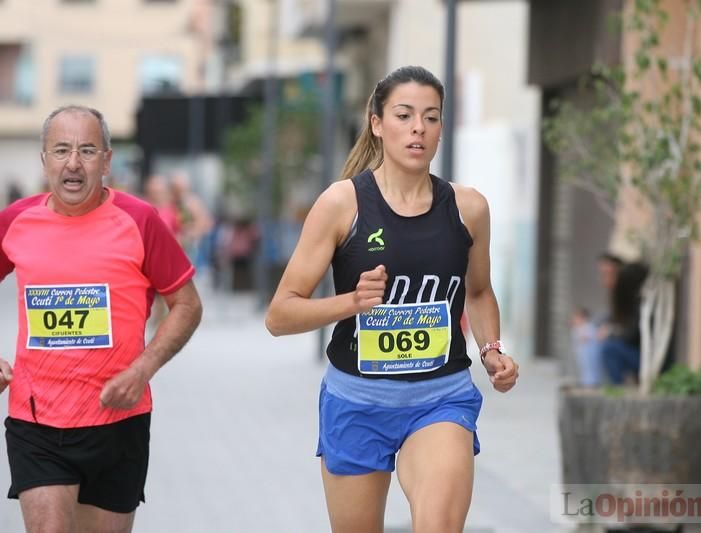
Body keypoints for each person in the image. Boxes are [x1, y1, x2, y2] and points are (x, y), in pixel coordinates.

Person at [265, 66, 519, 533]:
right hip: (356, 400)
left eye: (431, 117)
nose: (418, 127)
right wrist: (350, 303)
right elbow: (280, 315)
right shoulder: (342, 204)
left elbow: (478, 292)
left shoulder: (469, 209)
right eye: (404, 115)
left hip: (440, 398)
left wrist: (492, 350)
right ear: (377, 123)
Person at [0, 105, 202, 533]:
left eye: (87, 150)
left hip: (117, 419)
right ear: (44, 159)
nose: (73, 163)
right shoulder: (16, 221)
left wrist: (143, 369)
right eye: (61, 150)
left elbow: (187, 304)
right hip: (37, 419)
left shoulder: (140, 220)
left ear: (107, 160)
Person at [600, 261, 649, 384]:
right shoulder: (625, 300)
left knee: (609, 348)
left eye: (608, 274)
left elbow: (632, 335)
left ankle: (617, 387)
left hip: (645, 357)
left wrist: (612, 332)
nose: (603, 279)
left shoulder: (641, 303)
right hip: (639, 354)